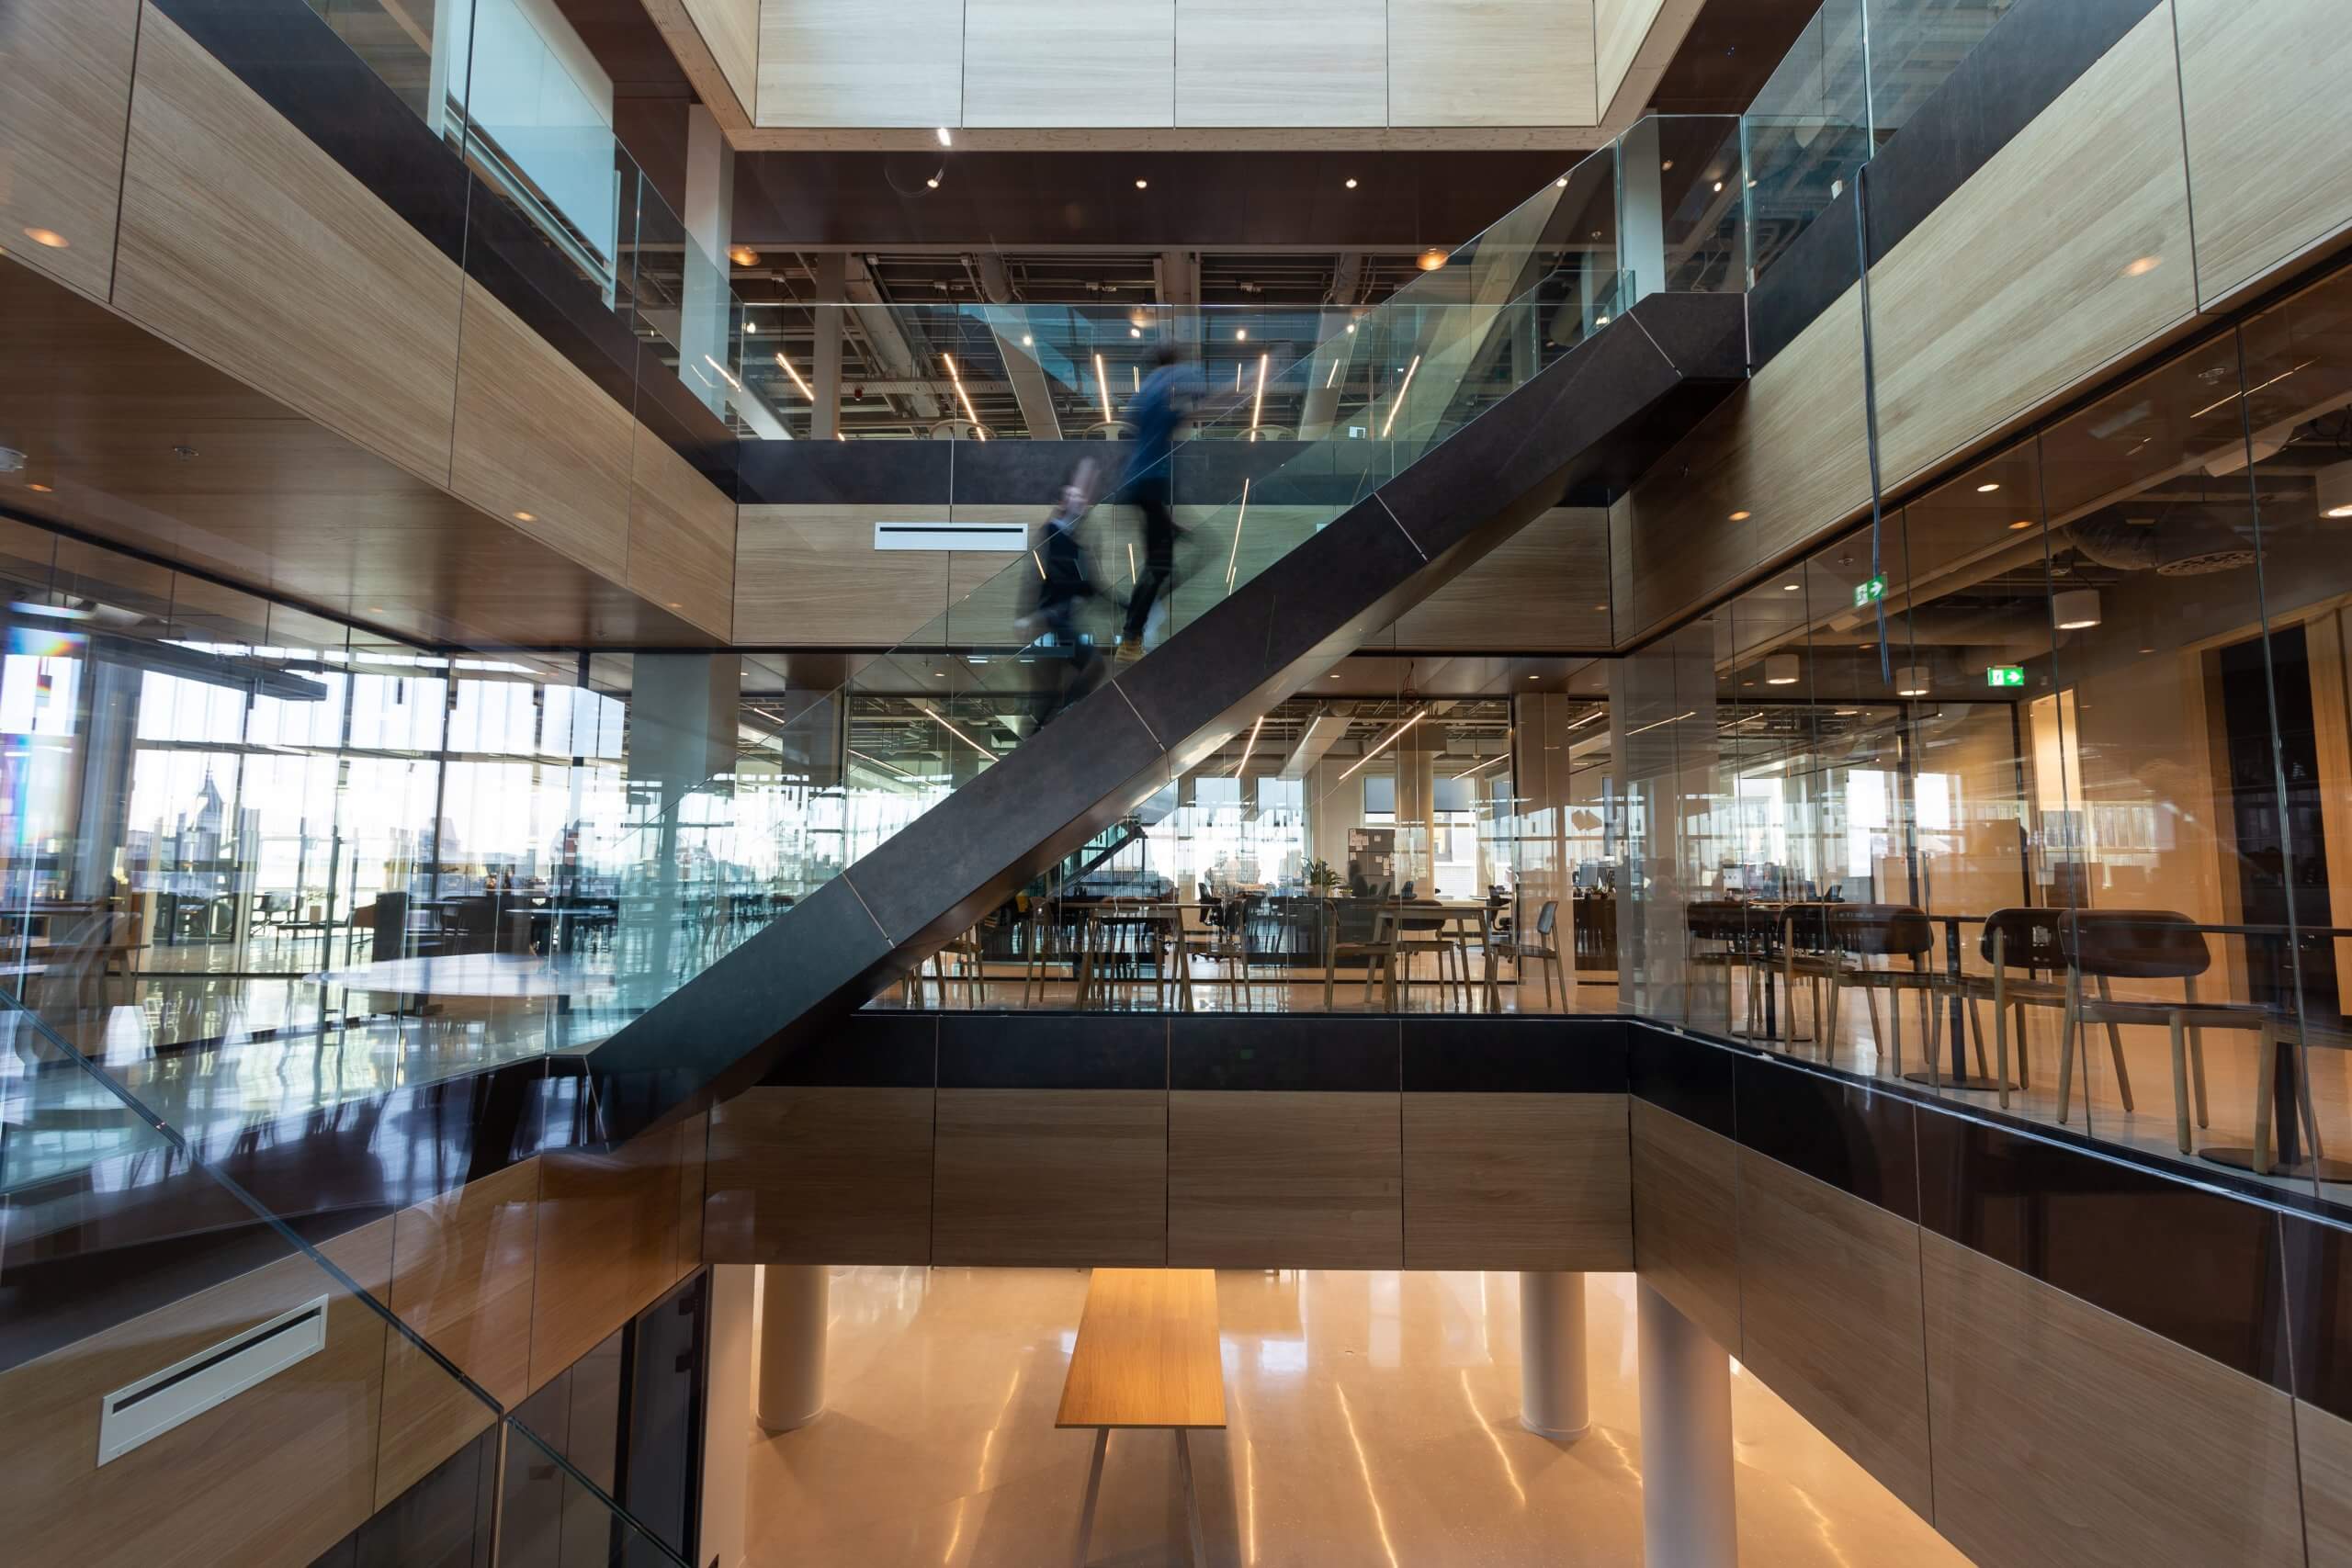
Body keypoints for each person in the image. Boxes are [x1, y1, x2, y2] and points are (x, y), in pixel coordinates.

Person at [1115, 345, 1202, 660]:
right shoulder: (1169, 382)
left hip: (1141, 486)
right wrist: (1250, 379)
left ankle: (1133, 628)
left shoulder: (1145, 392)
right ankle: (1131, 635)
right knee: (1159, 565)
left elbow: (1135, 423)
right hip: (1150, 484)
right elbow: (1200, 397)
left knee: (1161, 563)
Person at [1029, 457, 1106, 728]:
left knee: (1051, 690)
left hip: (1061, 621)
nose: (1079, 500)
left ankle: (1047, 726)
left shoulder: (1075, 542)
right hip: (1052, 621)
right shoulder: (1053, 532)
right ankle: (1063, 717)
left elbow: (1089, 588)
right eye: (1073, 496)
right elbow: (1058, 579)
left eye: (1082, 497)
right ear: (1063, 501)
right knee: (1094, 665)